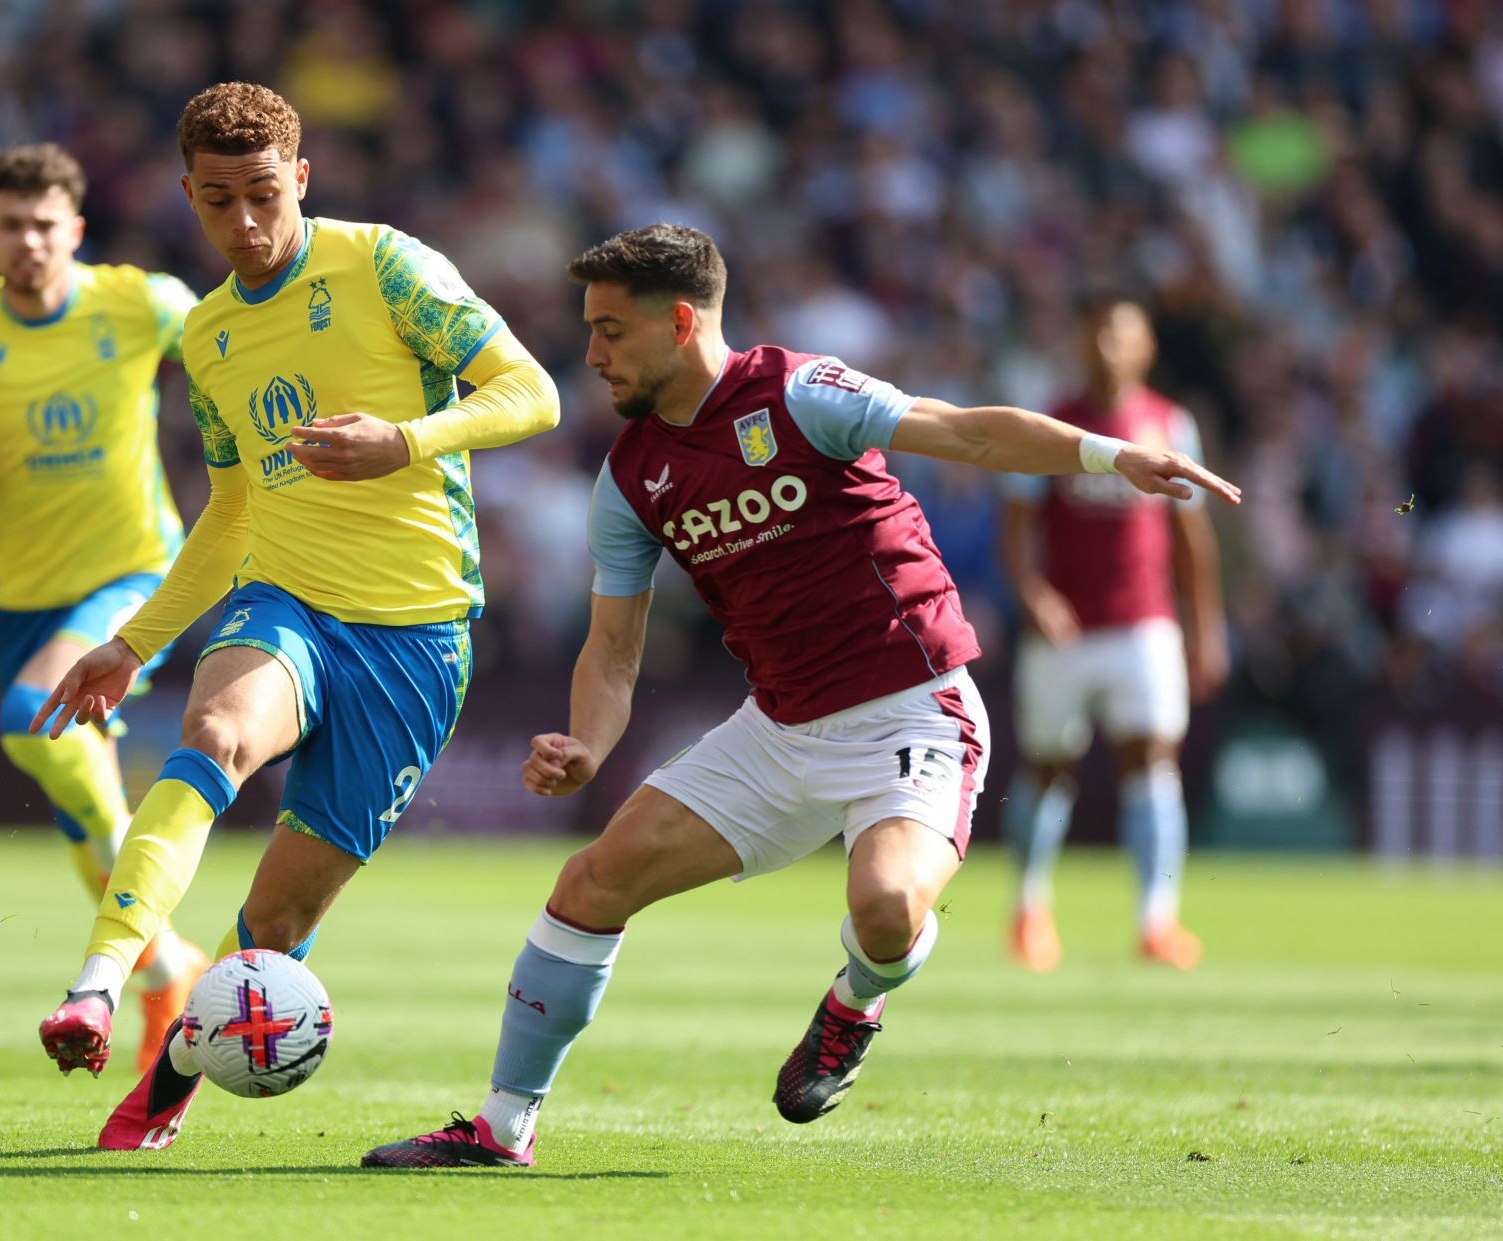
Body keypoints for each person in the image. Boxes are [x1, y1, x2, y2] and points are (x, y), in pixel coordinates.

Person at [361, 224, 1238, 1169]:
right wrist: (587, 743)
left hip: (914, 710)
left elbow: (968, 429)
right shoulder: (630, 477)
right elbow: (614, 650)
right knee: (588, 884)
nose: (593, 354)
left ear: (682, 321)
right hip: (776, 731)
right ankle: (500, 1128)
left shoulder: (800, 392)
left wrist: (1111, 458)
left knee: (888, 908)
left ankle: (856, 1000)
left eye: (612, 330)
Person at [30, 82, 560, 1150]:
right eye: (219, 201)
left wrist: (408, 440)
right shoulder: (209, 335)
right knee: (214, 733)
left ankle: (172, 1074)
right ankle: (94, 983)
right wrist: (134, 642)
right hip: (288, 601)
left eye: (264, 194)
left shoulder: (384, 265)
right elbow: (230, 511)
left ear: (301, 179)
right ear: (189, 195)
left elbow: (532, 391)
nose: (246, 222)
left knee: (277, 926)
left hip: (416, 639)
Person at [0, 143, 206, 1072]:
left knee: (30, 722)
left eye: (46, 224)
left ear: (75, 230)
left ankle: (120, 970)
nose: (29, 241)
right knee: (83, 809)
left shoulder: (140, 301)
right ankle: (165, 963)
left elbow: (232, 351)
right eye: (11, 224)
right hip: (23, 595)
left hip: (135, 571)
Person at [999, 298, 1228, 972]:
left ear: (1146, 346)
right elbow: (1015, 527)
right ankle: (1029, 909)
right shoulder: (1051, 420)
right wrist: (1034, 595)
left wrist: (1206, 627)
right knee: (1048, 766)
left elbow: (1193, 536)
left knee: (1152, 761)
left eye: (1121, 332)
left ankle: (1157, 920)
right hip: (1066, 630)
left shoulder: (1169, 422)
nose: (1107, 342)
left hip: (1144, 625)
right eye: (1096, 329)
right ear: (1078, 338)